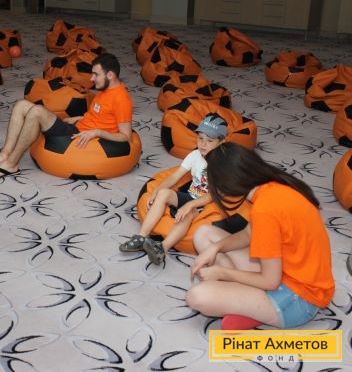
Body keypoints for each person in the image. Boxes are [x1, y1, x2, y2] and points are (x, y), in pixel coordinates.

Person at [187, 142, 334, 330]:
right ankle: (250, 304)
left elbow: (270, 281)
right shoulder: (274, 187)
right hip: (286, 271)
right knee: (203, 234)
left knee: (197, 296)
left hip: (300, 300)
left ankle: (254, 308)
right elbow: (248, 234)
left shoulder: (265, 210)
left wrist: (222, 273)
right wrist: (215, 248)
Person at [0, 53, 133, 179]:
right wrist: (80, 118)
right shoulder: (105, 90)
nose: (91, 79)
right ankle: (5, 154)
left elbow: (125, 136)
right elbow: (101, 115)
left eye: (95, 74)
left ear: (110, 75)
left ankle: (11, 164)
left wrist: (97, 132)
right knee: (20, 105)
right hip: (75, 127)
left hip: (76, 137)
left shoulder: (121, 99)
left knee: (37, 111)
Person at [119, 114, 228, 265]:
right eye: (200, 138)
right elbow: (175, 176)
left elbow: (214, 195)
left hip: (206, 204)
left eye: (210, 141)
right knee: (164, 193)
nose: (203, 144)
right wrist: (157, 190)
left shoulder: (223, 163)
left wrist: (190, 205)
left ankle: (162, 248)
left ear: (222, 142)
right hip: (191, 195)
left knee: (188, 213)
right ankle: (141, 237)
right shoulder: (195, 155)